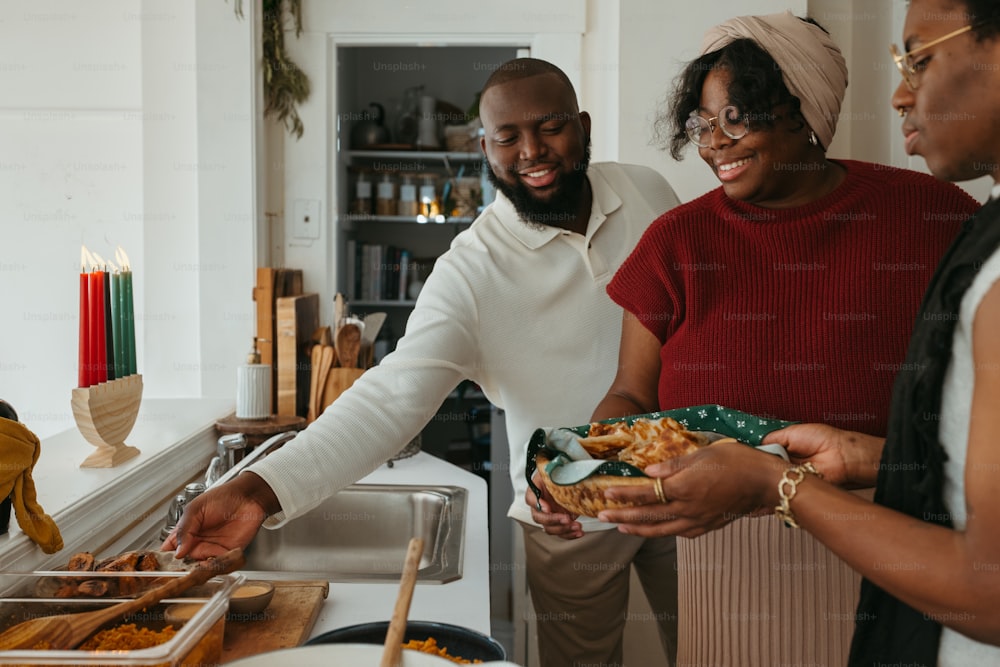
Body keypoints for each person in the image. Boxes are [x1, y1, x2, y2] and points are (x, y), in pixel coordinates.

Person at [163, 58, 683, 667]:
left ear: (583, 125)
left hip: (684, 477)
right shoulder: (471, 272)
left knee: (714, 645)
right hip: (566, 512)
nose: (532, 152)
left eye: (551, 127)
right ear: (484, 148)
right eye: (507, 138)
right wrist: (257, 489)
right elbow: (390, 399)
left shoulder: (648, 191)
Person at [525, 11, 981, 667]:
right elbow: (630, 394)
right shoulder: (676, 243)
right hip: (723, 575)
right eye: (702, 124)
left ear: (805, 111)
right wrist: (585, 468)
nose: (713, 144)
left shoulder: (934, 218)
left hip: (899, 558)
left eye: (735, 118)